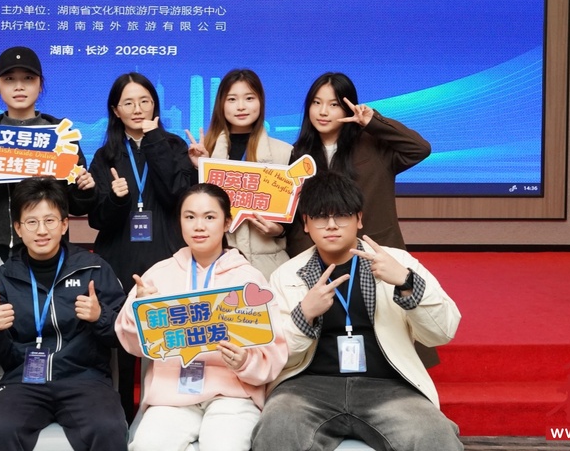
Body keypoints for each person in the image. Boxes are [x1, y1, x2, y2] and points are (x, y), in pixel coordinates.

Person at [251, 172, 462, 451]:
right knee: (277, 429)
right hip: (307, 388)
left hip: (387, 387)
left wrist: (406, 282)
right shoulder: (287, 274)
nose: (331, 225)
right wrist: (305, 315)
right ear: (306, 224)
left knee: (434, 436)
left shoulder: (397, 262)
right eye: (320, 217)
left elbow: (443, 331)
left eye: (341, 216)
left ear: (359, 219)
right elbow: (273, 354)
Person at [116, 184, 288, 451]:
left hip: (232, 396)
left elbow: (273, 351)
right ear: (179, 222)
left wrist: (245, 361)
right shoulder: (158, 274)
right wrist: (139, 310)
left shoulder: (249, 279)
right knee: (149, 445)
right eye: (190, 217)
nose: (199, 226)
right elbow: (132, 344)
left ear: (227, 222)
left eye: (209, 217)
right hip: (171, 395)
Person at [0, 177, 128, 451]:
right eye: (31, 222)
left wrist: (100, 317)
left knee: (108, 427)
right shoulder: (4, 277)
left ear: (64, 224)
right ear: (18, 228)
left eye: (50, 221)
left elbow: (124, 335)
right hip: (22, 382)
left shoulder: (93, 269)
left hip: (85, 380)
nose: (41, 230)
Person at [88, 72, 196, 420]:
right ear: (115, 110)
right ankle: (120, 419)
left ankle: (161, 416)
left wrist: (154, 141)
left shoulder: (174, 146)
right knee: (120, 342)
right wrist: (117, 200)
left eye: (144, 101)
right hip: (118, 259)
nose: (137, 109)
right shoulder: (105, 156)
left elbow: (178, 196)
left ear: (155, 105)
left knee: (166, 340)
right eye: (128, 103)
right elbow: (97, 219)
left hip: (167, 259)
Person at [0, 46, 96, 262]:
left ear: (40, 85)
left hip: (49, 249)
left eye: (28, 78)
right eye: (9, 79)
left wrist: (84, 188)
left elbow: (77, 206)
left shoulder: (61, 136)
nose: (19, 86)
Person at [287, 72, 430, 255]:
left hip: (376, 252)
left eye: (334, 104)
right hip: (320, 257)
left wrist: (373, 122)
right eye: (316, 102)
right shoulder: (297, 154)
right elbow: (296, 218)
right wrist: (309, 257)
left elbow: (420, 149)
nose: (323, 111)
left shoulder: (375, 146)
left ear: (349, 108)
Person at [186, 69, 293, 278]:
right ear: (221, 104)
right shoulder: (203, 151)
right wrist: (201, 167)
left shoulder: (285, 152)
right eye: (232, 99)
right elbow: (189, 212)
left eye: (249, 98)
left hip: (269, 268)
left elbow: (296, 219)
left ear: (261, 101)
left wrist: (280, 231)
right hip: (214, 269)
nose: (241, 106)